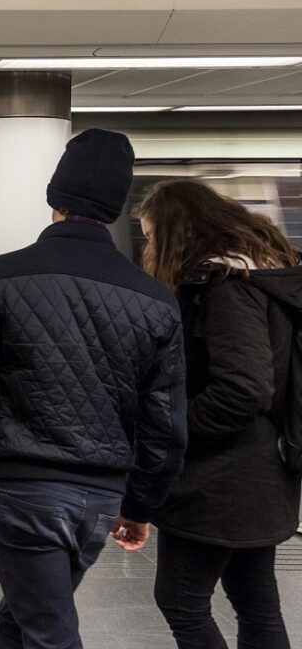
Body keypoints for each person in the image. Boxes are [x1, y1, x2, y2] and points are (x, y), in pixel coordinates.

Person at [0, 129, 187, 649]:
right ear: (116, 206)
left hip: (21, 486)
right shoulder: (156, 301)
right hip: (102, 494)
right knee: (22, 618)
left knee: (47, 631)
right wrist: (140, 506)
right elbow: (166, 426)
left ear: (54, 196)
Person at [138, 179, 301, 649]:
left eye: (151, 236)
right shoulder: (270, 279)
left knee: (181, 600)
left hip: (221, 478)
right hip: (266, 469)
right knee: (257, 604)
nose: (149, 247)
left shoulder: (226, 289)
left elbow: (244, 388)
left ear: (177, 233)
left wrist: (176, 427)